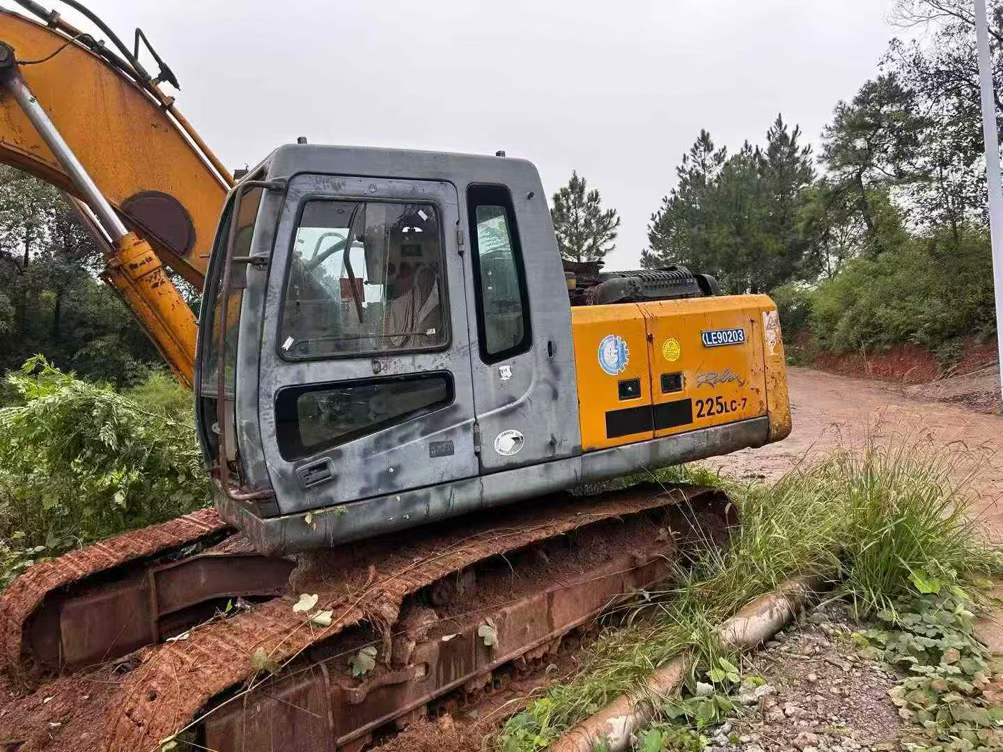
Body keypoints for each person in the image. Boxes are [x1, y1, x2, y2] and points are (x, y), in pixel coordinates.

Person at [385, 260, 441, 347]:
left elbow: (437, 330)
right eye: (422, 280)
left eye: (429, 280)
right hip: (408, 351)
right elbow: (392, 336)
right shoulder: (404, 302)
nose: (425, 284)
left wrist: (426, 332)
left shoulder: (439, 304)